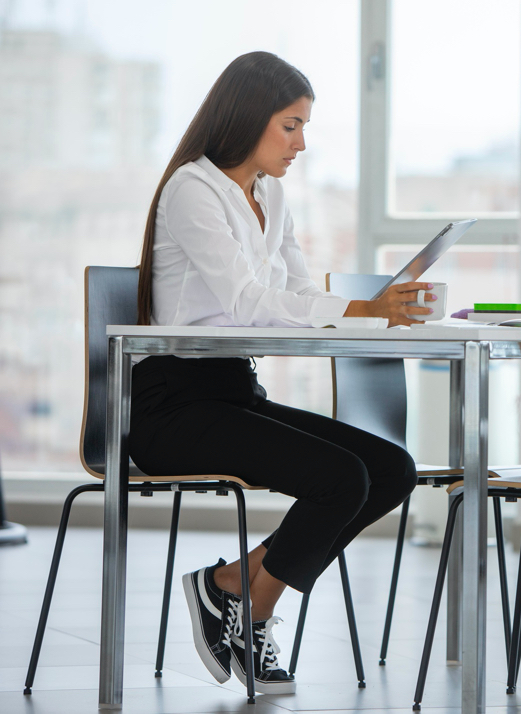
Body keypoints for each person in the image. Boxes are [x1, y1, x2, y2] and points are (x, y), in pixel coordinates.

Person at [130, 51, 425, 695]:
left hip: (233, 392)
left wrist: (379, 316)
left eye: (303, 127)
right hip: (173, 408)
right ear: (246, 119)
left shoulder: (271, 194)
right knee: (341, 478)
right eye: (290, 125)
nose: (300, 143)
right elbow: (246, 303)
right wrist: (360, 309)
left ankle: (232, 586)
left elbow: (293, 292)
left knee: (392, 470)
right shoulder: (192, 190)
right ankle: (250, 611)